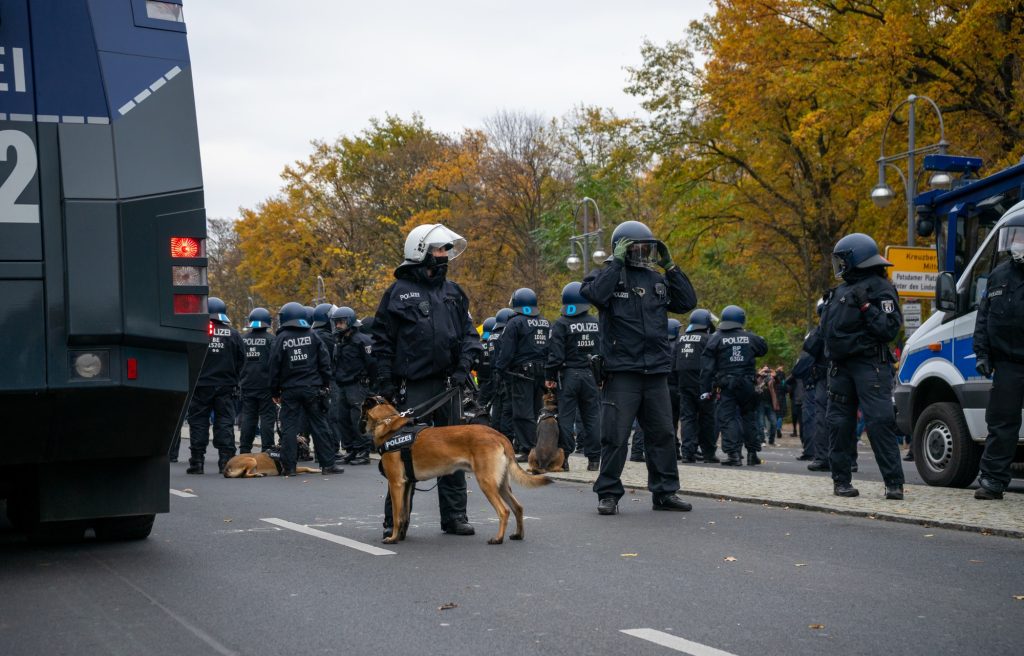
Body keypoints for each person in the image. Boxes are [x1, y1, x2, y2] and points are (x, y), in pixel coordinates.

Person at [372, 223, 481, 537]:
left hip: (449, 384)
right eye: (438, 249)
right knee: (403, 452)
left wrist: (464, 369)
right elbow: (382, 343)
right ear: (420, 251)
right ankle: (394, 520)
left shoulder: (454, 292)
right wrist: (386, 383)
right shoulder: (397, 293)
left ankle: (455, 517)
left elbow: (469, 337)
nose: (444, 255)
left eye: (446, 249)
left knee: (454, 449)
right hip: (413, 385)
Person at [581, 220, 697, 515]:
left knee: (663, 436)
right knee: (615, 436)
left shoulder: (655, 278)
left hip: (656, 371)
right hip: (622, 372)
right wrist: (616, 263)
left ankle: (665, 492)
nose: (643, 253)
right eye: (637, 247)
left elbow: (687, 302)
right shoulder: (607, 276)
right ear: (621, 247)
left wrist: (671, 267)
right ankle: (608, 493)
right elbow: (593, 295)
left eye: (647, 248)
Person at [821, 233, 904, 499]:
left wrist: (867, 307)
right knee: (839, 424)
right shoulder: (840, 291)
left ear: (856, 258)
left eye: (843, 259)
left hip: (870, 365)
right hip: (841, 368)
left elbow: (889, 328)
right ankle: (841, 481)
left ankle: (893, 484)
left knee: (879, 422)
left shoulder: (880, 287)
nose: (839, 265)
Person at [973, 216, 1024, 500]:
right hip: (1007, 363)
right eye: (1014, 238)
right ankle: (993, 480)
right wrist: (982, 353)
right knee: (1002, 423)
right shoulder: (999, 275)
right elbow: (984, 317)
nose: (1016, 244)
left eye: (1021, 237)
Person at [268, 301, 344, 476]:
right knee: (320, 426)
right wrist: (325, 384)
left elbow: (273, 367)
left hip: (289, 390)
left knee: (289, 428)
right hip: (313, 388)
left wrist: (274, 391)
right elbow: (324, 363)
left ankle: (290, 467)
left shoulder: (281, 339)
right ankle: (328, 465)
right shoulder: (313, 335)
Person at [700, 305, 768, 466]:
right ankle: (752, 454)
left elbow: (707, 368)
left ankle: (733, 455)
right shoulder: (750, 337)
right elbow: (763, 349)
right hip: (747, 384)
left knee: (728, 418)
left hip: (727, 385)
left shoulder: (716, 338)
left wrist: (705, 389)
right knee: (749, 418)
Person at [184, 297, 245, 475]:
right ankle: (225, 461)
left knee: (198, 423)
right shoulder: (233, 334)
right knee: (225, 422)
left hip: (200, 385)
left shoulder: (195, 333)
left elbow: (187, 357)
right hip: (226, 386)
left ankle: (197, 462)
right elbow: (242, 360)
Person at [545, 281, 601, 471]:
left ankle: (565, 459)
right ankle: (594, 460)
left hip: (568, 375)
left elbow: (555, 355)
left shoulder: (561, 323)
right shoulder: (596, 322)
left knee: (566, 418)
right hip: (591, 375)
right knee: (592, 417)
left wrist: (549, 375)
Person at [494, 288, 550, 460]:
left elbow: (507, 351)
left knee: (522, 414)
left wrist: (500, 369)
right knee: (536, 411)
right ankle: (541, 447)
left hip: (521, 375)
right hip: (542, 374)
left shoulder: (514, 323)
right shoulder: (545, 322)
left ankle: (528, 450)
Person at [331, 306, 376, 465]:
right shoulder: (339, 340)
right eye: (336, 322)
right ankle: (351, 450)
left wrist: (370, 385)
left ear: (349, 321)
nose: (338, 326)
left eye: (341, 322)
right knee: (342, 418)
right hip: (343, 385)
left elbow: (372, 364)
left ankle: (363, 451)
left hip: (357, 386)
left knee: (358, 419)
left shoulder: (362, 340)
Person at [677, 309, 718, 463]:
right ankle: (708, 453)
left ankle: (687, 453)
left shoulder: (681, 339)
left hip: (684, 385)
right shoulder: (708, 339)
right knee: (707, 419)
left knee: (687, 419)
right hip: (703, 385)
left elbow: (675, 362)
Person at [239, 307, 277, 454]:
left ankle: (244, 450)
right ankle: (267, 450)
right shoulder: (271, 340)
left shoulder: (243, 339)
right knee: (267, 418)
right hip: (266, 386)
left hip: (247, 384)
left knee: (248, 417)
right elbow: (276, 363)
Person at [312, 302, 341, 457]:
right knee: (331, 416)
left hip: (313, 382)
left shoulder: (311, 334)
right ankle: (332, 449)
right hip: (328, 381)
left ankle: (320, 451)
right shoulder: (328, 338)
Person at [487, 308, 515, 439]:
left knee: (497, 408)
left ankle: (495, 435)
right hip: (505, 374)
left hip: (494, 375)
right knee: (507, 409)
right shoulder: (505, 334)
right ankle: (506, 437)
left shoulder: (491, 336)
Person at [666, 318, 683, 458]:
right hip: (676, 387)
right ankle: (675, 450)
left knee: (668, 421)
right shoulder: (679, 345)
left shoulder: (660, 344)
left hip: (662, 386)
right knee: (675, 421)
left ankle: (673, 449)